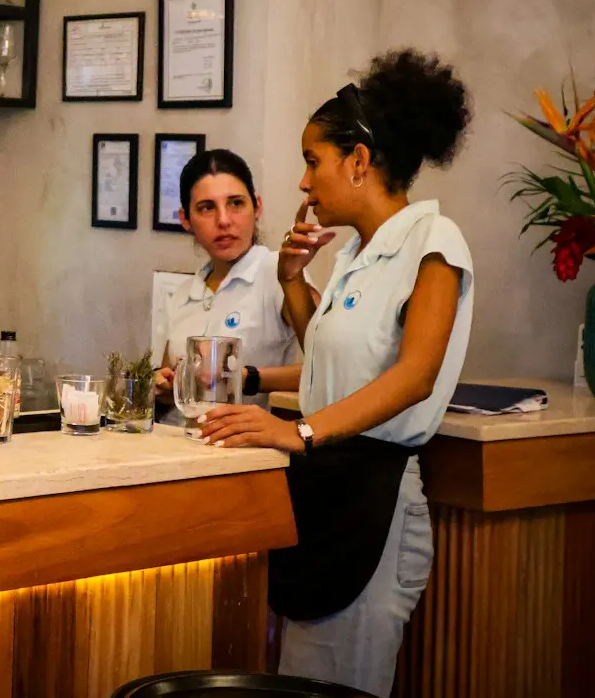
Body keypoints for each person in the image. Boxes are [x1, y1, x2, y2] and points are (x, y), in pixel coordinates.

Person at [199, 49, 474, 698]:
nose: (303, 181)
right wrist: (294, 283)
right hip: (328, 491)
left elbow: (414, 376)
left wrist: (300, 432)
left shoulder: (436, 241)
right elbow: (332, 354)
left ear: (359, 160)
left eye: (312, 160)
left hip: (374, 499)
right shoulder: (356, 252)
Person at [151, 149, 301, 412]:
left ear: (257, 207)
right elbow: (169, 388)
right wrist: (161, 384)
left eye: (236, 203)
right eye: (206, 208)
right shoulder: (185, 292)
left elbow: (327, 371)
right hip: (181, 440)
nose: (223, 221)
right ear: (185, 219)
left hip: (249, 445)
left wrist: (245, 377)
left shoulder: (280, 273)